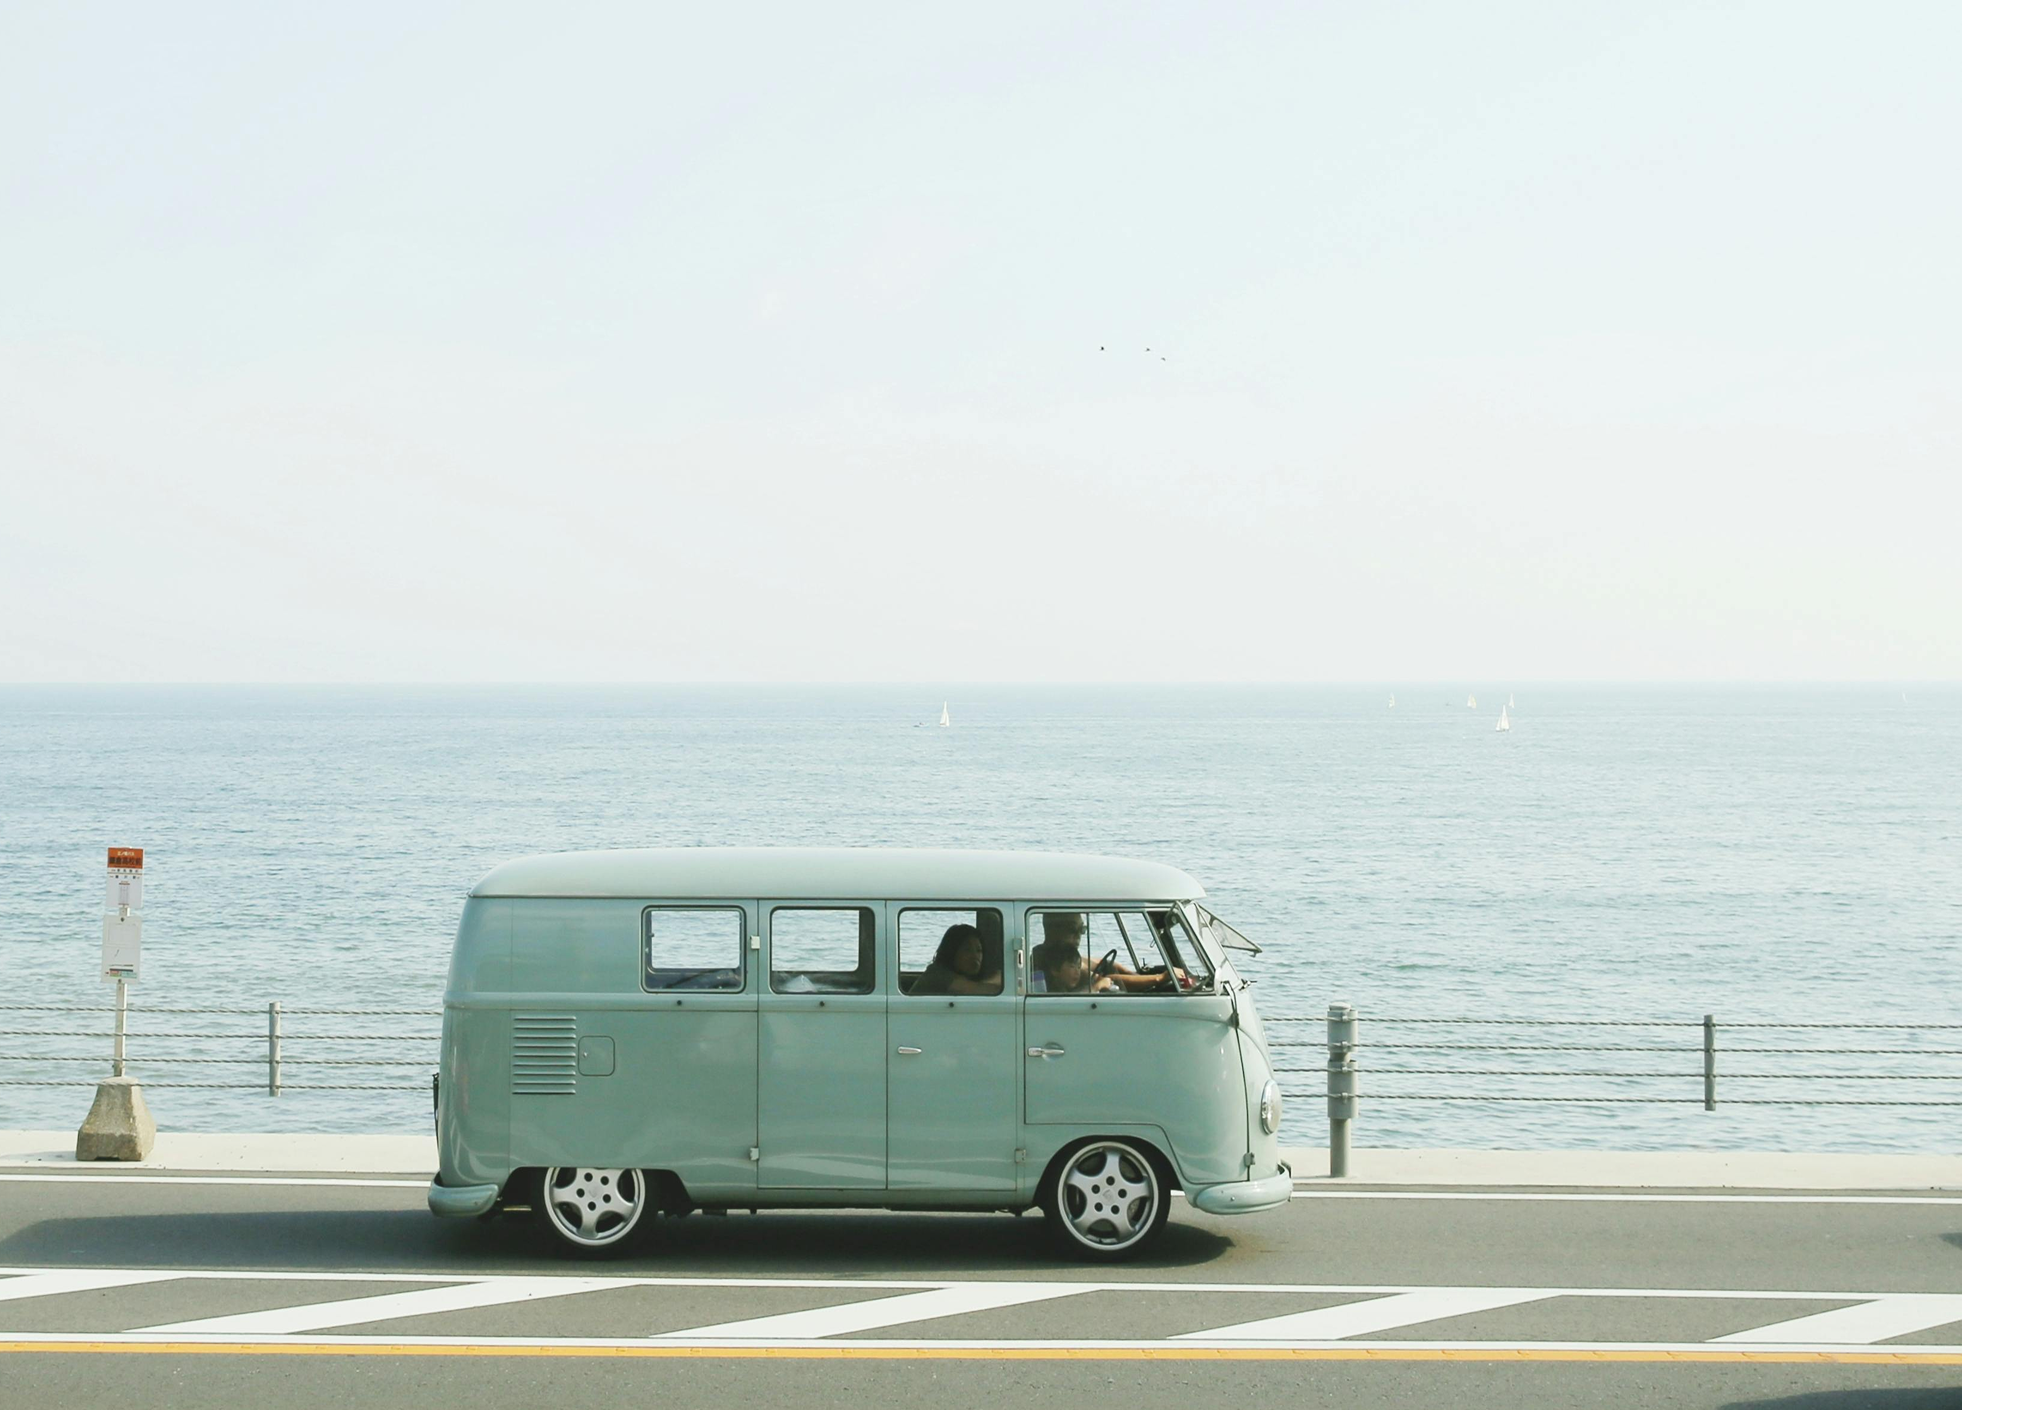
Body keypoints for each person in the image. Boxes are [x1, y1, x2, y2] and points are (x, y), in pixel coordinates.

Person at [910, 923, 999, 996]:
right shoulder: (937, 974)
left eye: (979, 950)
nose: (975, 956)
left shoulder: (963, 976)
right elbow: (977, 990)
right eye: (967, 950)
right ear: (952, 952)